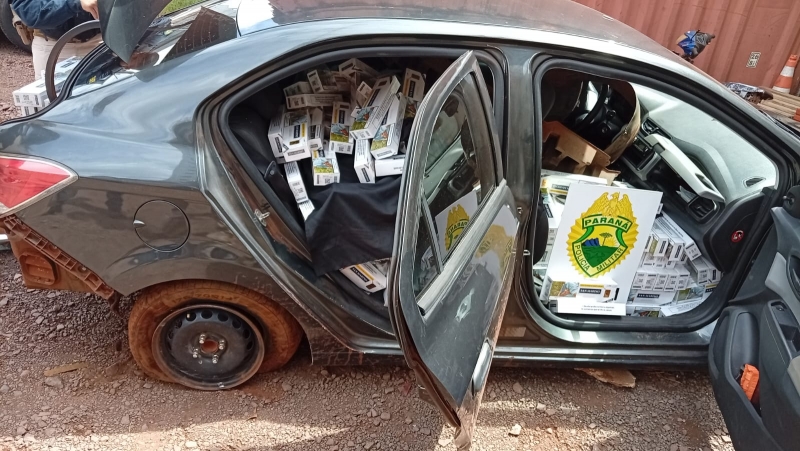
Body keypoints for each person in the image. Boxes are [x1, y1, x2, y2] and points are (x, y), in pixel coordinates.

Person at [10, 0, 101, 79]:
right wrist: (75, 2)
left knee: (101, 92)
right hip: (53, 48)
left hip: (97, 44)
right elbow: (31, 11)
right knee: (54, 93)